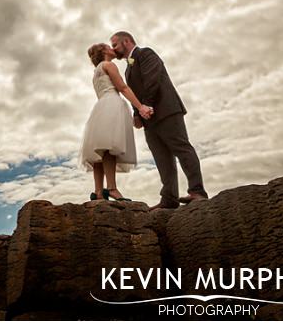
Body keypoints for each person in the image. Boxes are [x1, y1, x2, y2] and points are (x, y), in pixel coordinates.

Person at [110, 31, 209, 211]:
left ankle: (197, 191)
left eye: (115, 44)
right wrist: (137, 113)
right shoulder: (127, 69)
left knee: (182, 148)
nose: (113, 48)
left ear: (127, 41)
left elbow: (152, 80)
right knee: (162, 158)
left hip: (166, 110)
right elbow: (134, 93)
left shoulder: (146, 53)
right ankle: (169, 199)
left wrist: (146, 106)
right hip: (149, 119)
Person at [79, 43, 153, 201]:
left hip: (100, 106)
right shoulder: (109, 65)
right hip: (112, 104)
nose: (113, 49)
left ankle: (98, 192)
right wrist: (140, 107)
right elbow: (123, 88)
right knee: (109, 148)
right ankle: (112, 188)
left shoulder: (96, 71)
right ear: (104, 51)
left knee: (98, 152)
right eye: (109, 46)